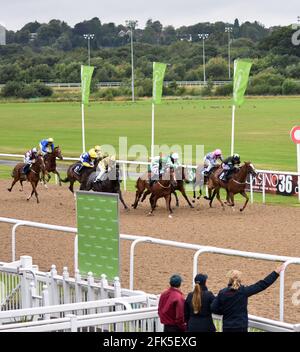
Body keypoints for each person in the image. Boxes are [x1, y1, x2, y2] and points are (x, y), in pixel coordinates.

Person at [211, 264, 284, 332]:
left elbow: (213, 308)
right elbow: (262, 285)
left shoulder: (222, 293)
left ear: (229, 279)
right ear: (239, 279)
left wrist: (224, 311)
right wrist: (275, 273)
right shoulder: (243, 291)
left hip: (228, 327)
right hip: (241, 326)